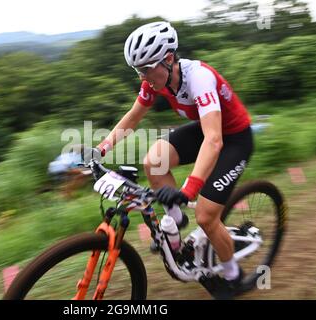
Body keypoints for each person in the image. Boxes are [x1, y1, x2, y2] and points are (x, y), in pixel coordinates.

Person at [95, 21, 253, 298]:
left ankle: (233, 275)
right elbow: (133, 116)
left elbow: (214, 140)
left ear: (168, 59)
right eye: (138, 71)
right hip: (206, 129)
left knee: (205, 216)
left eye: (145, 69)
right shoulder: (158, 80)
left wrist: (189, 189)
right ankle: (176, 224)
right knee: (153, 161)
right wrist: (103, 148)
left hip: (234, 139)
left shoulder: (198, 78)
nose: (142, 77)